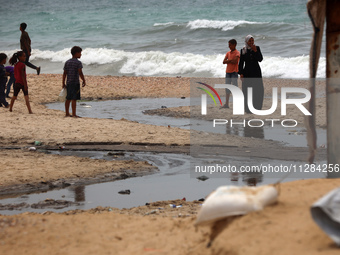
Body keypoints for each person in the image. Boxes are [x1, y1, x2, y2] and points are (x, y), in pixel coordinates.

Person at [238, 35, 264, 113]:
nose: (251, 42)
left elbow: (260, 59)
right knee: (247, 91)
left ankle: (257, 107)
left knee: (258, 90)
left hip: (256, 72)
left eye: (252, 41)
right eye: (250, 41)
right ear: (246, 41)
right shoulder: (243, 50)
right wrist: (241, 73)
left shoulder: (257, 48)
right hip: (247, 73)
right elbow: (241, 63)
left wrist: (255, 51)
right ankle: (248, 109)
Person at [62, 46, 86, 117]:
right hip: (75, 83)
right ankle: (74, 114)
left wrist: (63, 83)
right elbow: (80, 73)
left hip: (69, 82)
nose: (81, 54)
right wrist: (84, 80)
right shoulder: (78, 63)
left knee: (68, 98)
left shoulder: (67, 62)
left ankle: (67, 113)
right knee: (74, 99)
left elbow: (64, 74)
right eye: (80, 53)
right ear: (76, 53)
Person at [222, 39, 240, 108]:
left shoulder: (237, 53)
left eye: (230, 45)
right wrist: (230, 61)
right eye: (229, 45)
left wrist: (228, 61)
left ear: (234, 45)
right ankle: (226, 104)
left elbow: (235, 61)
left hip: (234, 72)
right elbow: (223, 61)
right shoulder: (228, 53)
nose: (229, 46)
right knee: (227, 88)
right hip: (228, 72)